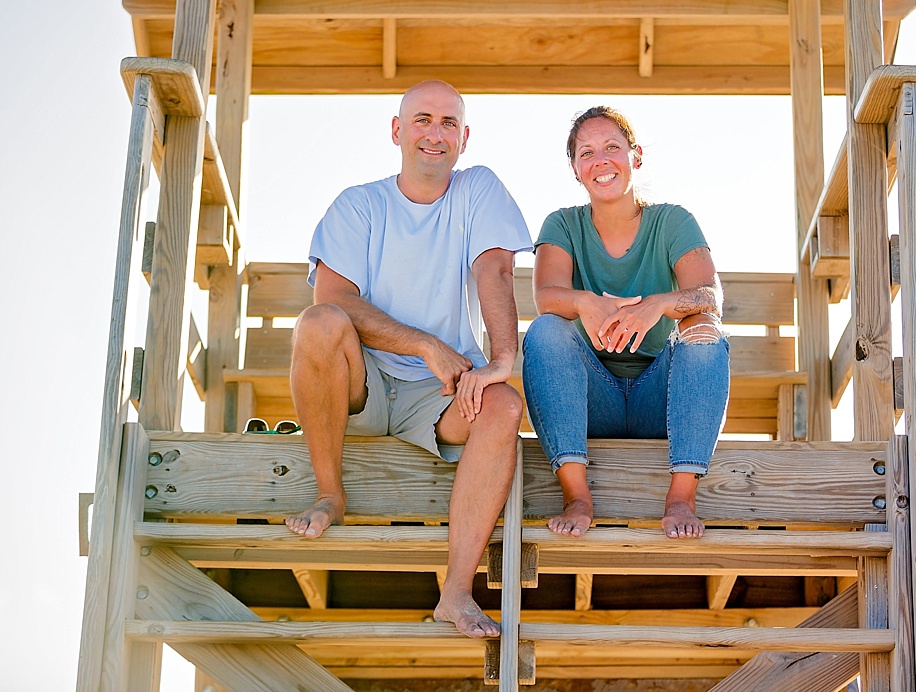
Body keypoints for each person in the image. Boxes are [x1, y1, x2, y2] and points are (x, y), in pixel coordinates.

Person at [284, 80, 533, 638]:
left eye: (448, 123)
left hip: (440, 395)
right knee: (318, 323)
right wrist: (424, 343)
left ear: (464, 139)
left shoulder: (479, 190)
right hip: (361, 386)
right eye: (422, 119)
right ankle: (331, 495)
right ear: (398, 131)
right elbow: (335, 301)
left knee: (504, 406)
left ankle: (456, 592)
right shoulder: (359, 204)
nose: (434, 133)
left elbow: (494, 270)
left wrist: (501, 359)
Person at [523, 106, 730, 540]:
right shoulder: (561, 224)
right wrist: (583, 302)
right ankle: (577, 496)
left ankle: (681, 497)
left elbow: (710, 297)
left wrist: (657, 305)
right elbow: (546, 297)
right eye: (587, 152)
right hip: (591, 399)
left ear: (635, 156)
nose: (601, 160)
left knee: (704, 331)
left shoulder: (673, 221)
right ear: (576, 169)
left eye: (612, 147)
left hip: (662, 398)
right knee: (545, 330)